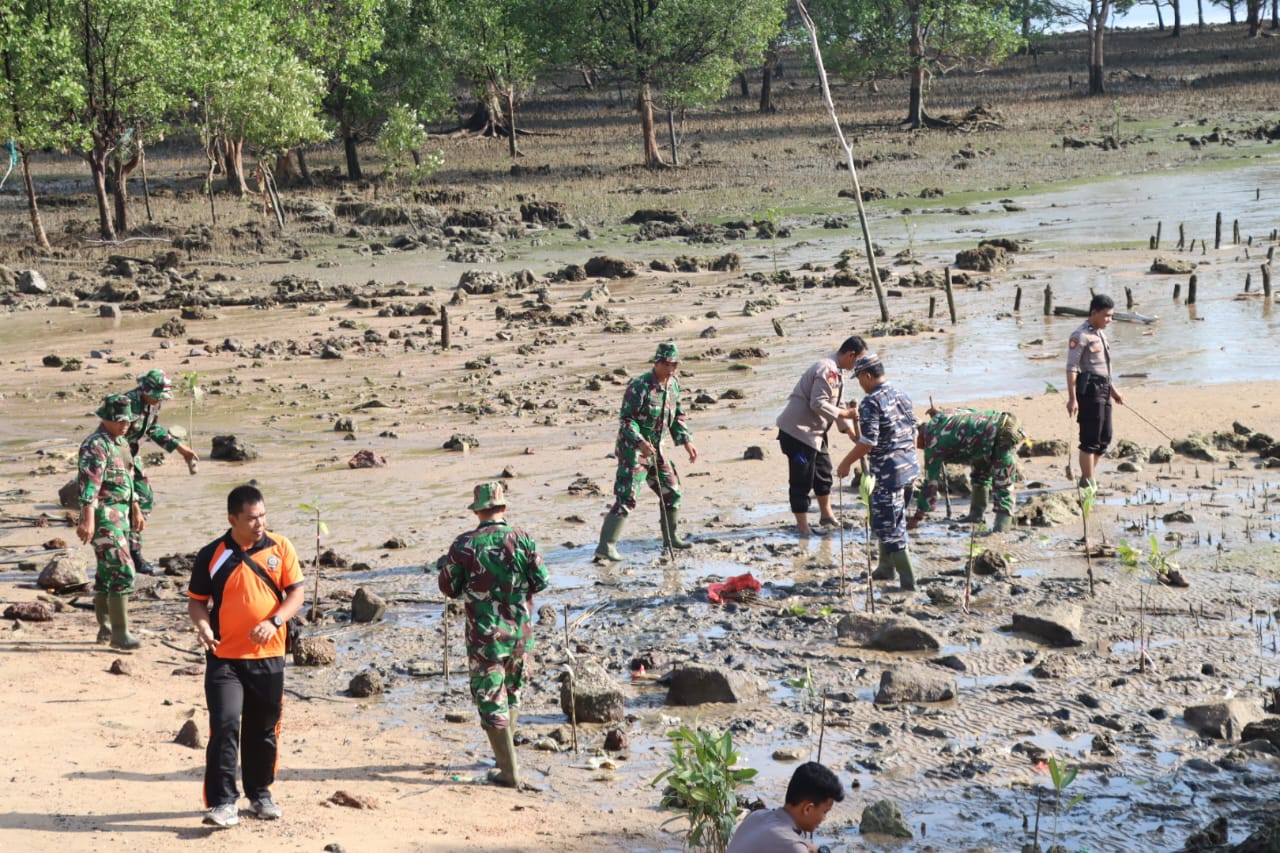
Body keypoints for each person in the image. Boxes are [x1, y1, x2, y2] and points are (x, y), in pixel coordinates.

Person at [187, 485, 306, 828]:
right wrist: (203, 626)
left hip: (269, 656)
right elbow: (197, 600)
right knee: (225, 725)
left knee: (263, 729)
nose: (260, 523)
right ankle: (224, 803)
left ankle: (260, 794)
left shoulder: (280, 547)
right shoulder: (212, 553)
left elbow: (296, 592)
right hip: (224, 656)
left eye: (263, 516)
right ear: (232, 519)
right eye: (252, 518)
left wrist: (276, 620)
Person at [437, 481, 548, 789]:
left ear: (478, 511)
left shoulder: (464, 545)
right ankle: (504, 761)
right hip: (519, 632)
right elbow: (541, 580)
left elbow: (448, 588)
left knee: (489, 699)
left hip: (485, 637)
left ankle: (509, 772)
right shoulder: (523, 539)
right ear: (503, 508)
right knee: (512, 691)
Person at [593, 342, 699, 562]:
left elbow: (677, 415)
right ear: (658, 363)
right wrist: (640, 442)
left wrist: (686, 441)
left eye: (676, 364)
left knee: (672, 490)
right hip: (634, 449)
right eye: (669, 364)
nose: (673, 369)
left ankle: (671, 538)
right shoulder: (639, 386)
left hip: (657, 448)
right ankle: (606, 547)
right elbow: (627, 420)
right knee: (627, 497)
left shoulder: (673, 385)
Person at [836, 354, 920, 590]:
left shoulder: (871, 402)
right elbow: (913, 428)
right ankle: (885, 567)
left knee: (890, 525)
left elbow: (868, 442)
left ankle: (908, 582)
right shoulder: (901, 394)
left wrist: (845, 463)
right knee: (892, 519)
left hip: (888, 473)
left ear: (868, 376)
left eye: (860, 379)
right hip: (909, 468)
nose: (860, 385)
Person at [775, 336, 865, 537]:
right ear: (850, 355)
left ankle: (826, 514)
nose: (858, 367)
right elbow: (818, 403)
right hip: (798, 433)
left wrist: (850, 432)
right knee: (802, 480)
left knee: (823, 472)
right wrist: (845, 415)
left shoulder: (838, 372)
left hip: (816, 433)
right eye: (858, 361)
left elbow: (839, 404)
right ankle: (803, 528)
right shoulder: (828, 369)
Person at [76, 394, 143, 650]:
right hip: (104, 516)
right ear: (106, 418)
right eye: (119, 420)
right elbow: (89, 484)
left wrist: (135, 507)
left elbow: (128, 477)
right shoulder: (96, 445)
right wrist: (87, 520)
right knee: (125, 569)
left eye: (127, 420)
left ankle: (105, 630)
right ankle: (120, 634)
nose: (125, 424)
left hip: (121, 514)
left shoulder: (121, 442)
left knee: (106, 573)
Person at [123, 369, 199, 574]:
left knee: (144, 499)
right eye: (157, 397)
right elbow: (116, 438)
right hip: (116, 457)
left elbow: (152, 430)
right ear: (145, 390)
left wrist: (181, 449)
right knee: (132, 503)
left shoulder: (153, 403)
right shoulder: (127, 404)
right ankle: (129, 556)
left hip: (132, 455)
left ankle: (133, 551)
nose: (159, 401)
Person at [910, 407, 1025, 533]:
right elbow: (969, 412)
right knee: (980, 473)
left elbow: (930, 485)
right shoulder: (942, 415)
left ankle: (1002, 529)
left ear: (917, 434)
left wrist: (916, 518)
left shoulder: (932, 442)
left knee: (1003, 483)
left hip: (1002, 433)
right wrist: (939, 413)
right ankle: (976, 515)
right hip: (994, 431)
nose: (918, 447)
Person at [1065, 294, 1123, 487]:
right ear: (1094, 312)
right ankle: (1088, 482)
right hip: (1090, 392)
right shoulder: (1080, 335)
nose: (1110, 320)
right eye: (1106, 315)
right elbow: (1072, 367)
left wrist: (1113, 391)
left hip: (1105, 389)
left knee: (1104, 438)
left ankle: (1086, 477)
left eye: (1112, 316)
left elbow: (1103, 367)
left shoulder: (1100, 333)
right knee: (1090, 440)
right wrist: (1072, 399)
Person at [726, 761, 845, 853]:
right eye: (825, 812)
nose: (824, 818)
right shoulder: (792, 846)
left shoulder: (757, 816)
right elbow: (788, 844)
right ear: (807, 808)